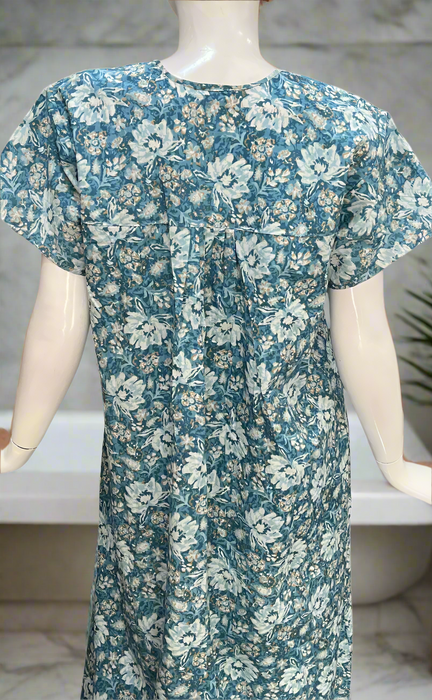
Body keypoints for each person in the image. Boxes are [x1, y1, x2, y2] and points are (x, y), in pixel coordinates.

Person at [1, 1, 432, 698]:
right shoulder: (81, 115)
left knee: (203, 652)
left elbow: (361, 321)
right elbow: (60, 307)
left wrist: (394, 462)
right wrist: (19, 445)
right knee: (246, 653)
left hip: (208, 461)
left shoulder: (89, 113)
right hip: (209, 462)